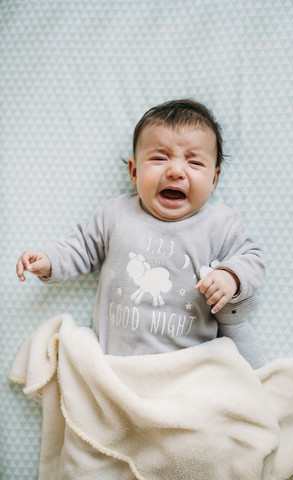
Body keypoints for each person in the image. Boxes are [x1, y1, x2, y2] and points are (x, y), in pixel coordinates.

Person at [16, 99, 266, 368]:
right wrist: (49, 260)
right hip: (116, 365)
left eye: (194, 163)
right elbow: (81, 247)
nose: (175, 171)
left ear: (214, 179)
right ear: (134, 171)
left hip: (189, 367)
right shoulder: (116, 214)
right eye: (159, 158)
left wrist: (231, 276)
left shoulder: (220, 224)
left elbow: (253, 258)